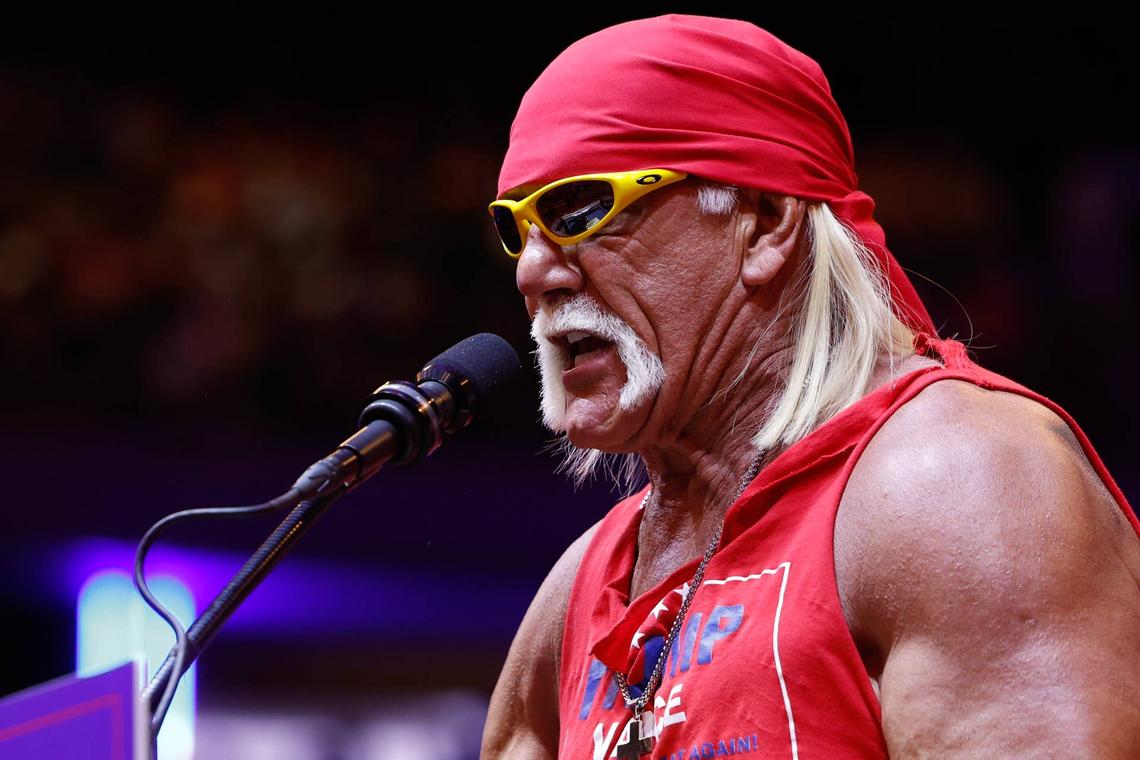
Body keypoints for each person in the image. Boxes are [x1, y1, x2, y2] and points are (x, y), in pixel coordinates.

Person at [479, 14, 1140, 759]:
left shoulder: (956, 487)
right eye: (517, 228)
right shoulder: (578, 596)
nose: (533, 272)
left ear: (761, 222)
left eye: (578, 210)